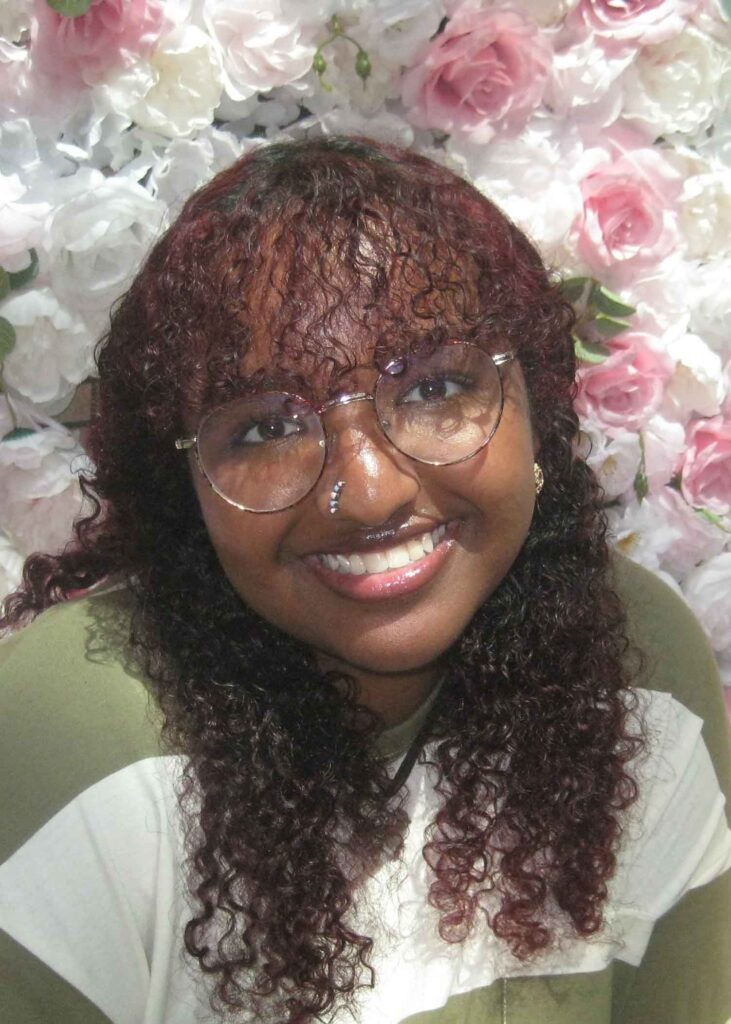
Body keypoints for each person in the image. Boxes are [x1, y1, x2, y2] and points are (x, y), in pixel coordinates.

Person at [0, 136, 729, 1024]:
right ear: (184, 492)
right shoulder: (72, 737)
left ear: (537, 406)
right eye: (266, 429)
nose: (369, 491)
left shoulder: (633, 664)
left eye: (433, 388)